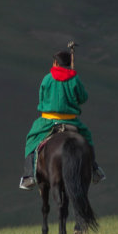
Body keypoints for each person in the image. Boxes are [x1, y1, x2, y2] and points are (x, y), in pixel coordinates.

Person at [19, 50, 106, 190]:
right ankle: (94, 169)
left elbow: (42, 98)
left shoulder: (47, 79)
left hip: (47, 121)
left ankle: (29, 176)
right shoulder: (74, 79)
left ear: (55, 63)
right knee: (87, 139)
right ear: (68, 63)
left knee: (31, 139)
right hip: (71, 121)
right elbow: (83, 98)